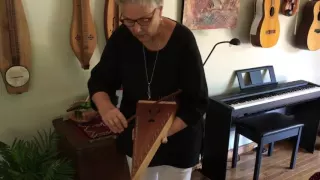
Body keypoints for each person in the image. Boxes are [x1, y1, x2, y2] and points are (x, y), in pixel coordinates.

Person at [87, 0, 209, 179]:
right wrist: (106, 108)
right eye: (128, 21)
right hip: (137, 135)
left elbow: (198, 101)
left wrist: (162, 132)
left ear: (159, 11)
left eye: (144, 20)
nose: (136, 29)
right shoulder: (122, 37)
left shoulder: (183, 39)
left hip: (179, 134)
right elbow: (100, 80)